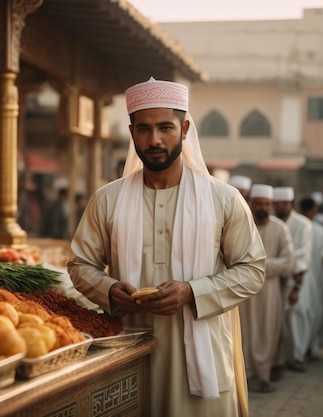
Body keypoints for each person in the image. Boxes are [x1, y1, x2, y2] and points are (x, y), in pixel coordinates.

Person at [67, 78, 266, 416]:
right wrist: (110, 290)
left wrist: (192, 292)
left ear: (185, 129)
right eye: (144, 129)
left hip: (202, 361)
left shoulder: (223, 199)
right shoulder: (107, 199)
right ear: (132, 133)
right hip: (129, 351)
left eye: (165, 127)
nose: (154, 139)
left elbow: (252, 271)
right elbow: (80, 264)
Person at [240, 184, 294, 393]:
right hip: (243, 291)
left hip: (269, 292)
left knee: (267, 332)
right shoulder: (242, 225)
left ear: (271, 205)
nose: (263, 207)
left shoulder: (280, 228)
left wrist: (256, 266)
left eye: (267, 204)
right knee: (243, 332)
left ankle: (264, 376)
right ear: (252, 204)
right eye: (259, 203)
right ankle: (243, 377)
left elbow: (288, 262)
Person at [272, 186, 312, 375]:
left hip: (295, 280)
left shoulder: (303, 225)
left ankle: (296, 357)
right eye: (277, 203)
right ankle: (277, 360)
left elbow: (303, 256)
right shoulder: (270, 223)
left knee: (295, 320)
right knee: (275, 323)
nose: (280, 206)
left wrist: (296, 287)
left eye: (284, 203)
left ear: (291, 204)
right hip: (272, 280)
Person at [298, 197, 323, 357]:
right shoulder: (318, 230)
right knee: (312, 313)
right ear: (314, 211)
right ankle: (306, 348)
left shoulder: (294, 226)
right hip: (312, 280)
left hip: (296, 279)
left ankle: (301, 349)